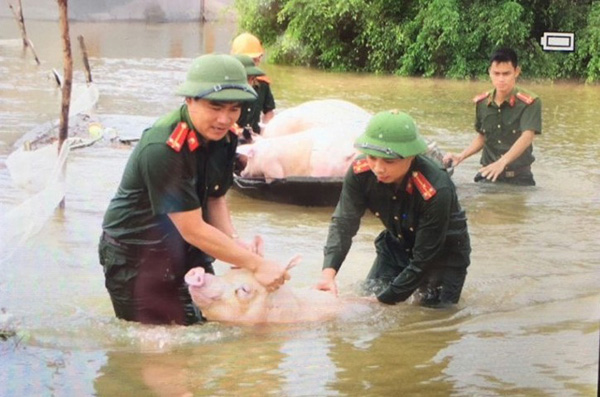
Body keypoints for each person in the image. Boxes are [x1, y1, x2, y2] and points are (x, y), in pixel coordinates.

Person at [98, 54, 289, 325]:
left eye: (234, 109)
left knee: (205, 324)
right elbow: (193, 228)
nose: (224, 119)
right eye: (215, 107)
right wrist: (256, 264)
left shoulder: (225, 137)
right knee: (158, 346)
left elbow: (215, 198)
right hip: (137, 257)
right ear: (190, 100)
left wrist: (235, 243)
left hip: (186, 250)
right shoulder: (164, 148)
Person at [316, 110, 471, 307]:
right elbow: (343, 223)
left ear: (411, 156)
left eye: (389, 161)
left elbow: (423, 261)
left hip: (442, 255)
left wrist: (382, 300)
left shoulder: (436, 189)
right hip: (397, 244)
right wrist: (328, 273)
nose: (378, 168)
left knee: (433, 319)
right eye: (372, 157)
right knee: (369, 301)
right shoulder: (360, 172)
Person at [443, 47, 542, 186]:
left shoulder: (530, 102)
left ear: (516, 72)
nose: (501, 79)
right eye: (496, 73)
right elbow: (483, 137)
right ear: (489, 72)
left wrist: (502, 162)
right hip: (488, 175)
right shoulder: (482, 103)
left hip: (520, 178)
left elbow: (527, 137)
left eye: (506, 74)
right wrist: (461, 156)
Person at [231, 32, 276, 134]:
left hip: (254, 135)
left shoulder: (263, 84)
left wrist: (266, 132)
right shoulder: (226, 84)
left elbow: (269, 111)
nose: (252, 64)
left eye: (255, 60)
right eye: (248, 60)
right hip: (230, 135)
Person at [233, 53, 266, 142]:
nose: (250, 84)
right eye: (247, 79)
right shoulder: (224, 99)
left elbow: (268, 112)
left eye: (252, 79)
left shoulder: (262, 87)